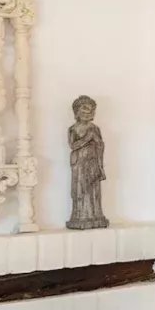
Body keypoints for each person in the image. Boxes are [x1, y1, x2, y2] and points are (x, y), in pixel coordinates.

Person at [67, 95, 108, 230]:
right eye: (84, 110)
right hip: (79, 163)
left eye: (90, 110)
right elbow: (73, 145)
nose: (87, 113)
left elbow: (100, 145)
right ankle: (80, 216)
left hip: (92, 162)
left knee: (94, 191)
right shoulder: (73, 129)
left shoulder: (95, 128)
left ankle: (95, 215)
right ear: (77, 112)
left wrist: (100, 166)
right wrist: (87, 138)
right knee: (80, 190)